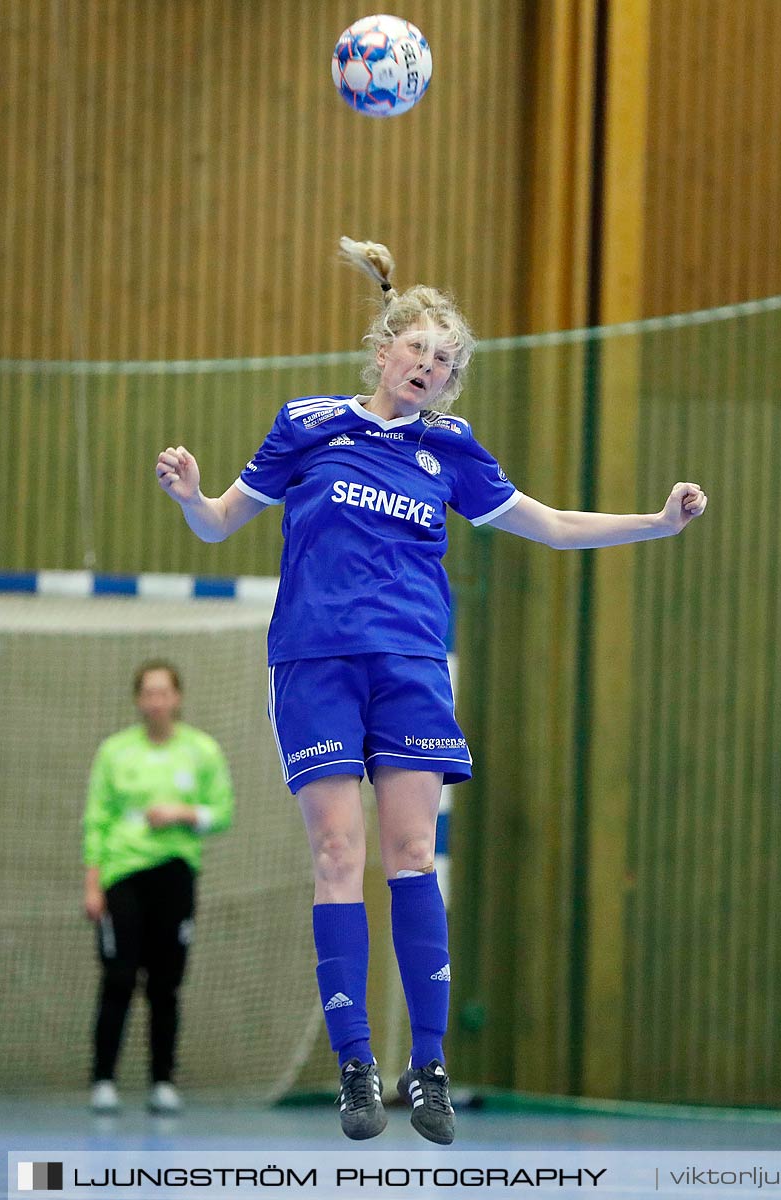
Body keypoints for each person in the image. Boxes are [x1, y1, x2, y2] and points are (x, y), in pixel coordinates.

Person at [153, 237, 707, 1145]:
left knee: (411, 855)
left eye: (447, 362)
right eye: (419, 349)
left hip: (410, 664)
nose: (431, 366)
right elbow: (218, 526)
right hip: (315, 664)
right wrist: (189, 493)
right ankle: (356, 1067)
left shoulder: (450, 449)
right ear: (383, 349)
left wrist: (656, 522)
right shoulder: (307, 422)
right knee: (338, 857)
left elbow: (553, 524)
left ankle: (432, 1068)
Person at [82, 659, 234, 1115]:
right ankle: (103, 1080)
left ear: (177, 697)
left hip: (174, 874)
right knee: (119, 977)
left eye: (163, 691)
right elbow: (96, 820)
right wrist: (93, 884)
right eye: (147, 692)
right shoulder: (115, 752)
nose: (155, 700)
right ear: (137, 699)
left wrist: (183, 814)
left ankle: (163, 1081)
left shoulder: (201, 751)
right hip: (123, 874)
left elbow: (222, 813)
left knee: (165, 983)